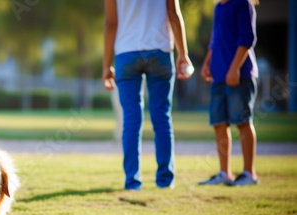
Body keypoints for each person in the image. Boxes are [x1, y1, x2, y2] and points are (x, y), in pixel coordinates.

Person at [103, 0, 193, 190]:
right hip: (159, 50)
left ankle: (132, 181)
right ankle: (165, 180)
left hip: (126, 53)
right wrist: (182, 54)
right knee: (162, 116)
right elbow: (174, 15)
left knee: (131, 119)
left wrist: (106, 65)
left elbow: (111, 23)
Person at [199, 0, 259, 186]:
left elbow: (247, 38)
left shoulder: (242, 3)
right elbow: (215, 39)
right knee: (219, 123)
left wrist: (234, 69)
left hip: (239, 75)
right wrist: (207, 63)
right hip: (218, 76)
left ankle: (249, 173)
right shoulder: (219, 7)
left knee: (242, 122)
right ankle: (224, 173)